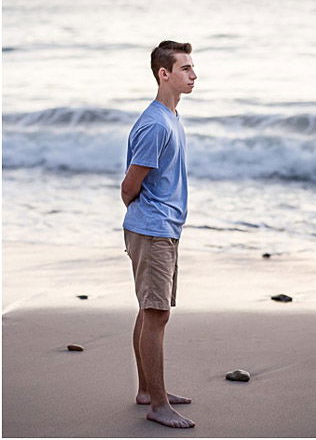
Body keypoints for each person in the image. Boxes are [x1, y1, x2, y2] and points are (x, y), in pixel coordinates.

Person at [121, 40, 197, 428]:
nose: (193, 75)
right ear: (163, 74)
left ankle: (148, 390)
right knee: (157, 314)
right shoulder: (154, 124)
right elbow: (129, 186)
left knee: (150, 310)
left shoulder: (170, 118)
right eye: (184, 68)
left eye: (192, 67)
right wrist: (147, 220)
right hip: (152, 231)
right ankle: (158, 404)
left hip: (162, 228)